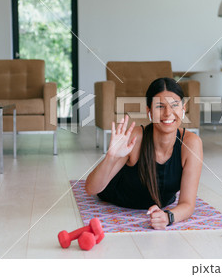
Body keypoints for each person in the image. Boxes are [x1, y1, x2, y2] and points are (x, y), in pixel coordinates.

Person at [85, 77, 203, 230]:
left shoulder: (191, 143)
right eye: (160, 106)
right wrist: (111, 157)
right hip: (118, 197)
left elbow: (187, 203)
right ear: (149, 111)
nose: (168, 113)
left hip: (161, 204)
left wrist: (168, 216)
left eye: (174, 105)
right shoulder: (136, 138)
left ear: (183, 108)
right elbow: (91, 189)